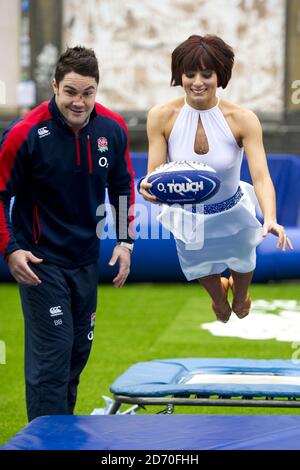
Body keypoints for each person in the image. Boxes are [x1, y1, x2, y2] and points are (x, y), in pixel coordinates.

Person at [0, 46, 135, 421]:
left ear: (97, 89)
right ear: (54, 86)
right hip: (40, 262)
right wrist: (10, 248)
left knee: (77, 353)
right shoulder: (25, 134)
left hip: (85, 261)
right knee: (53, 356)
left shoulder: (113, 128)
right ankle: (44, 443)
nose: (79, 102)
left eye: (88, 93)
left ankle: (63, 437)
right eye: (71, 92)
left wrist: (125, 242)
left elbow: (123, 186)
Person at [140, 34, 292, 323]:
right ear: (179, 76)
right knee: (221, 310)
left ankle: (242, 294)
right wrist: (149, 190)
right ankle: (219, 294)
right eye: (189, 74)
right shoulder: (161, 116)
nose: (198, 82)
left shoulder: (242, 118)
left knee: (241, 306)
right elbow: (154, 175)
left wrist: (270, 217)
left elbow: (260, 176)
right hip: (188, 217)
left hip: (234, 212)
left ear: (220, 76)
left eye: (207, 74)